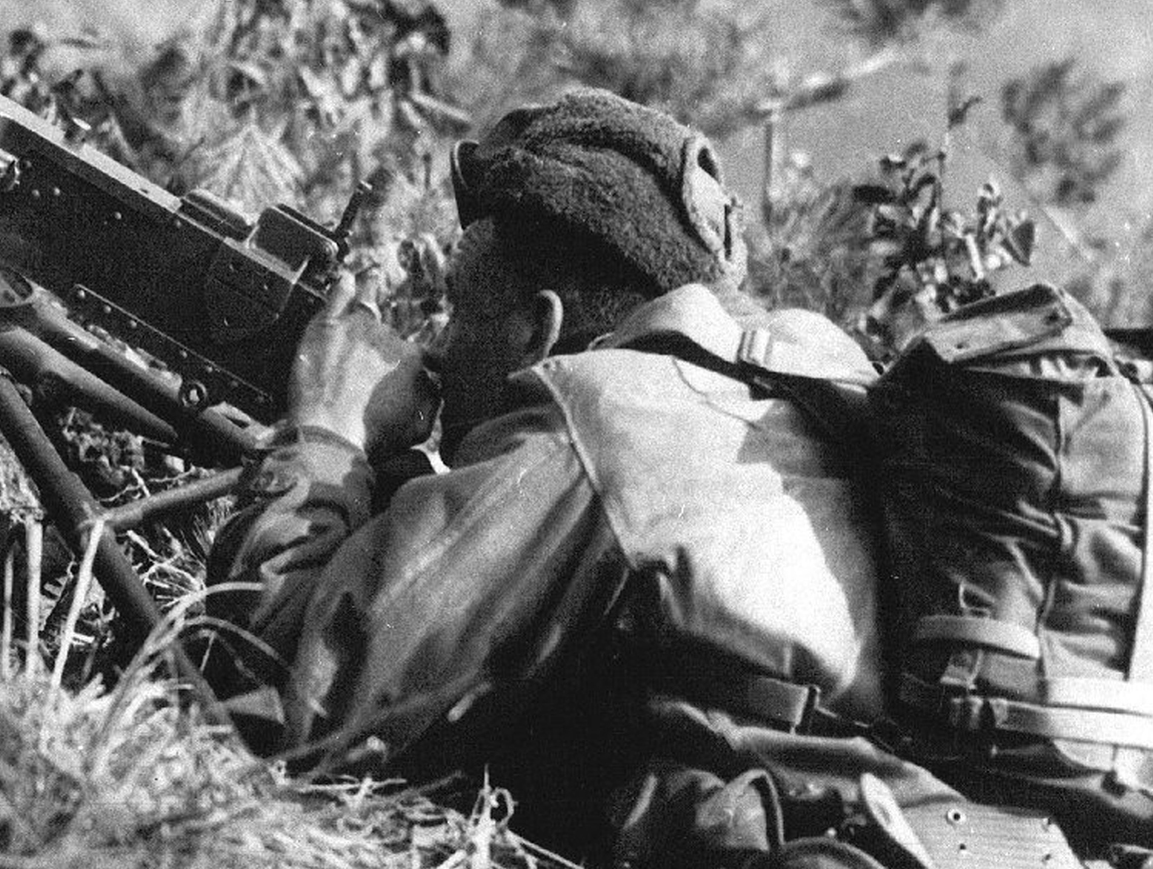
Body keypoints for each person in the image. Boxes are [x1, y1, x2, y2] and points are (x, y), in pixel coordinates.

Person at [205, 88, 965, 867]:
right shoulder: (823, 385)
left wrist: (327, 431)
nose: (434, 347)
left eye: (459, 312)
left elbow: (285, 707)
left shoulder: (598, 415)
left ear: (541, 330)